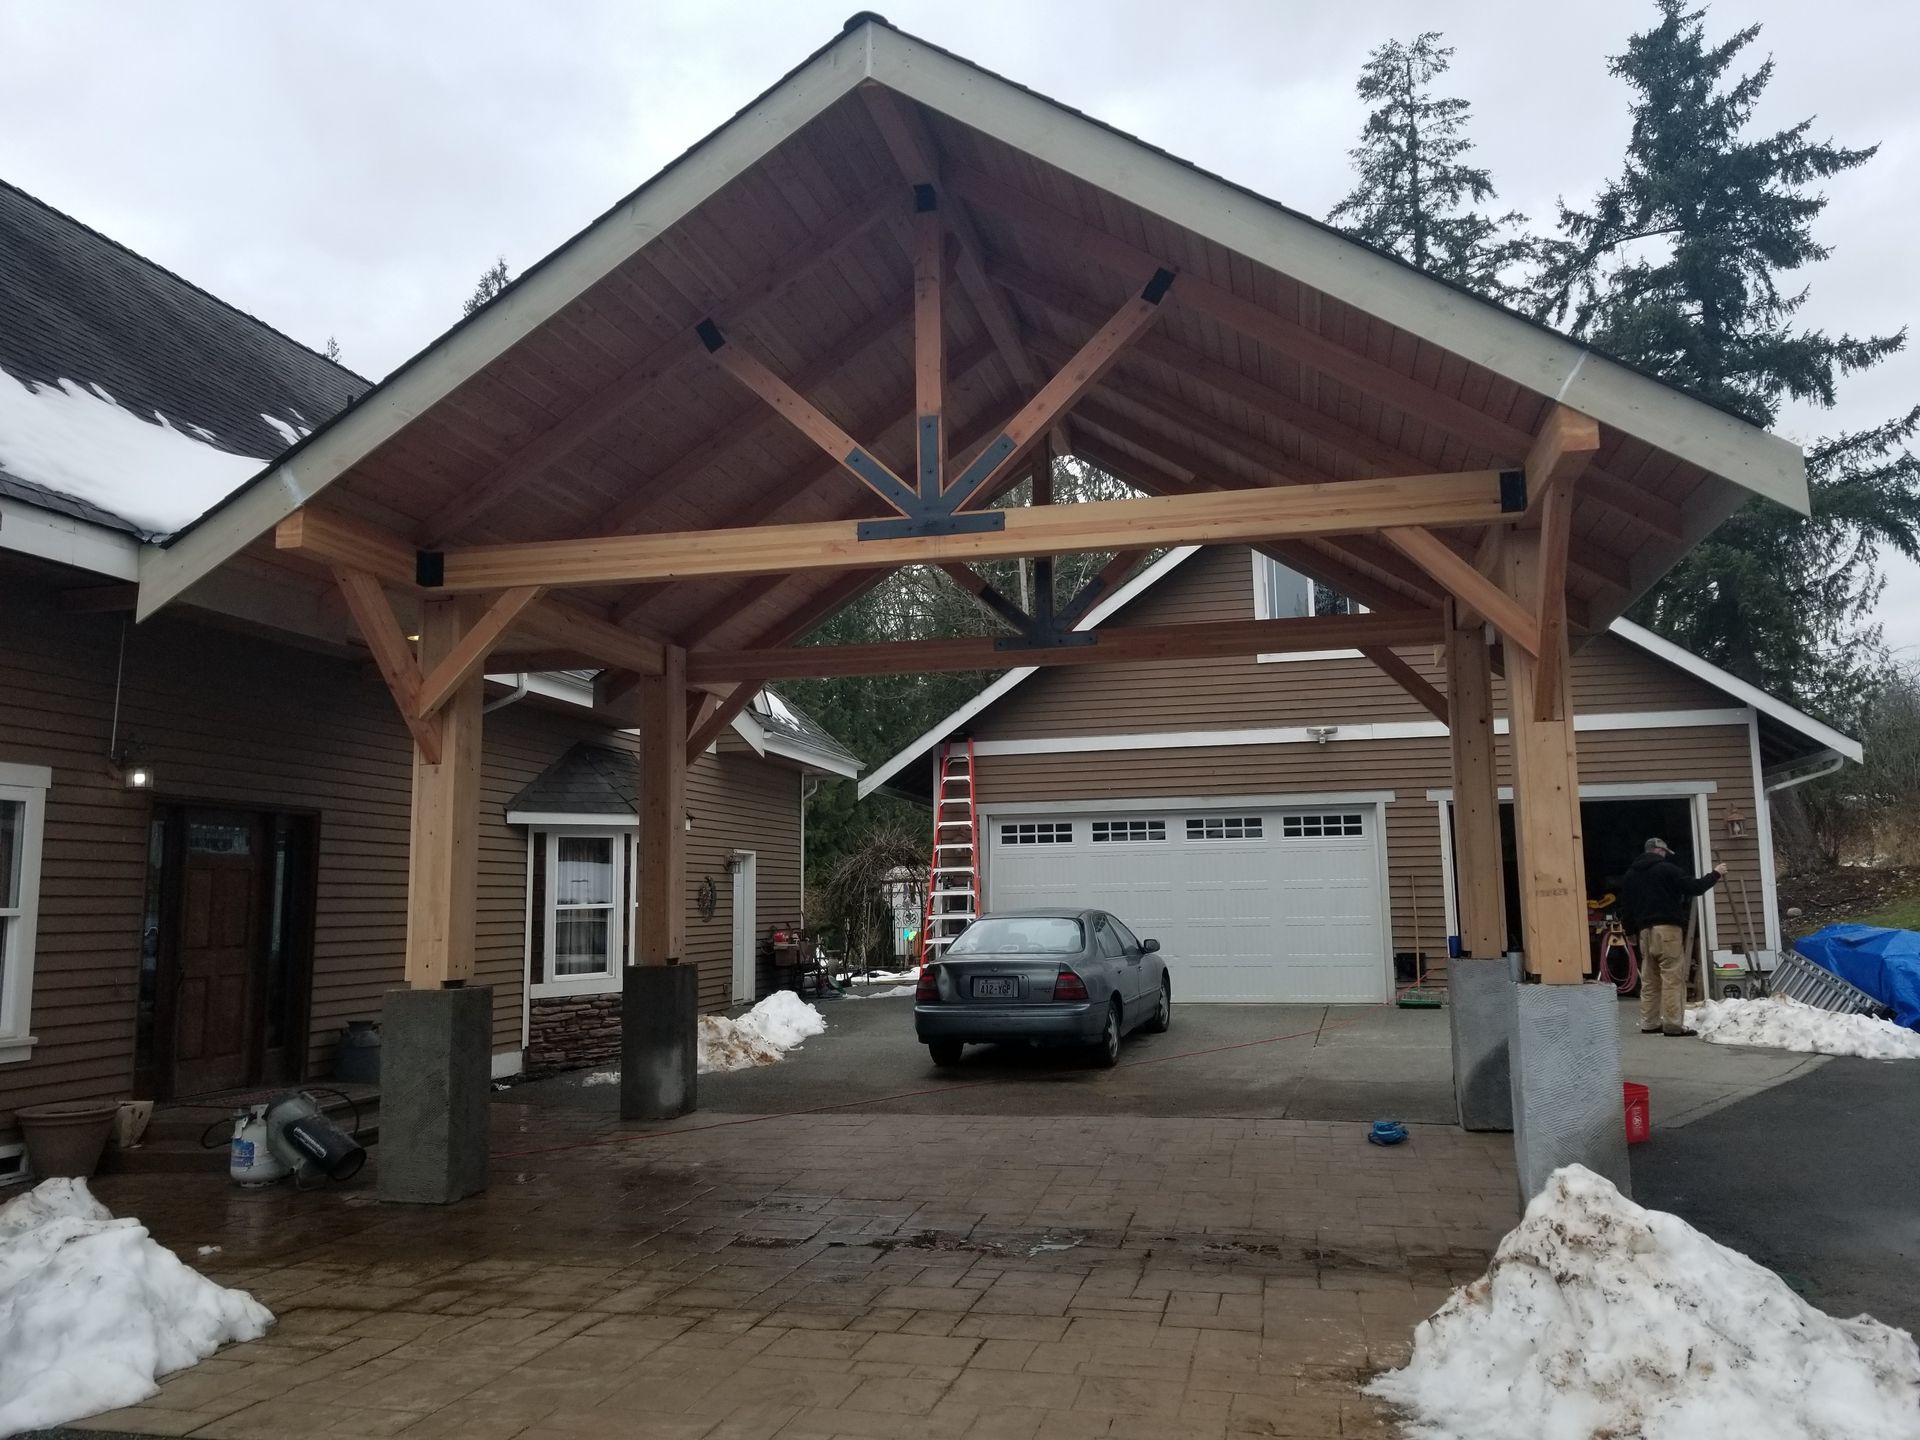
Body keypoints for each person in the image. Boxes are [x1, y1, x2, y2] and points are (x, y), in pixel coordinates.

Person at [1616, 837, 1727, 1036]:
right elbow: (1694, 887)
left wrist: (1630, 931)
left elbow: (1626, 908)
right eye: (1665, 852)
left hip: (1644, 932)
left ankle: (1649, 1023)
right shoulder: (1667, 870)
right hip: (1668, 930)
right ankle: (1673, 1025)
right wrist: (1715, 874)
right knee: (1672, 978)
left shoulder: (1630, 875)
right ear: (1659, 851)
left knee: (1649, 980)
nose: (1665, 856)